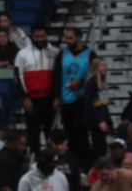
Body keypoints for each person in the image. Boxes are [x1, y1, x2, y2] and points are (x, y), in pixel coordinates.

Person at [15, 23, 59, 155]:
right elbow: (19, 76)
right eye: (37, 36)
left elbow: (58, 77)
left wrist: (57, 97)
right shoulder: (22, 54)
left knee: (51, 133)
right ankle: (35, 161)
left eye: (43, 36)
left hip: (50, 99)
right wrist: (25, 97)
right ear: (32, 36)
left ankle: (53, 159)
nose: (40, 39)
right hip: (32, 100)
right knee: (33, 134)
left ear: (47, 35)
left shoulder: (56, 52)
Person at [53, 27, 95, 165]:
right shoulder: (62, 55)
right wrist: (57, 97)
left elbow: (96, 76)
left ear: (79, 37)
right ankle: (70, 162)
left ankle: (85, 163)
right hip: (66, 99)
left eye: (71, 38)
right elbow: (57, 76)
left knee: (82, 133)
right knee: (68, 133)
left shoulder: (90, 54)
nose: (67, 41)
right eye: (66, 38)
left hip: (83, 99)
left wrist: (81, 82)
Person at [83, 57, 112, 167]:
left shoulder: (102, 83)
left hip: (101, 119)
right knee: (98, 148)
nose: (105, 68)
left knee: (102, 147)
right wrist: (99, 121)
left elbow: (103, 104)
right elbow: (90, 105)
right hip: (95, 121)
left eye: (106, 65)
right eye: (102, 65)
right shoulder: (92, 83)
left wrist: (107, 120)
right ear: (96, 68)